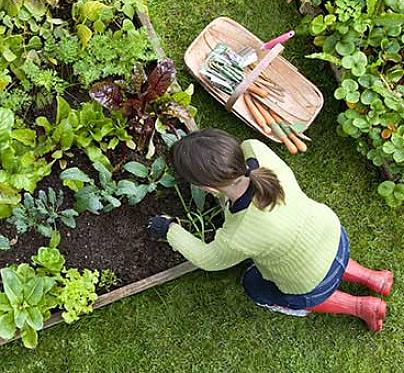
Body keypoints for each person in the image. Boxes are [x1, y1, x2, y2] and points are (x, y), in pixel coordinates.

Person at [148, 129, 393, 332]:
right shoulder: (256, 150)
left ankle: (361, 307)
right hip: (332, 234)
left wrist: (170, 229)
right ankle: (375, 278)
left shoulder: (239, 234)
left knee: (254, 285)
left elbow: (208, 259)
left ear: (206, 188)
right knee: (320, 255)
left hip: (309, 281)